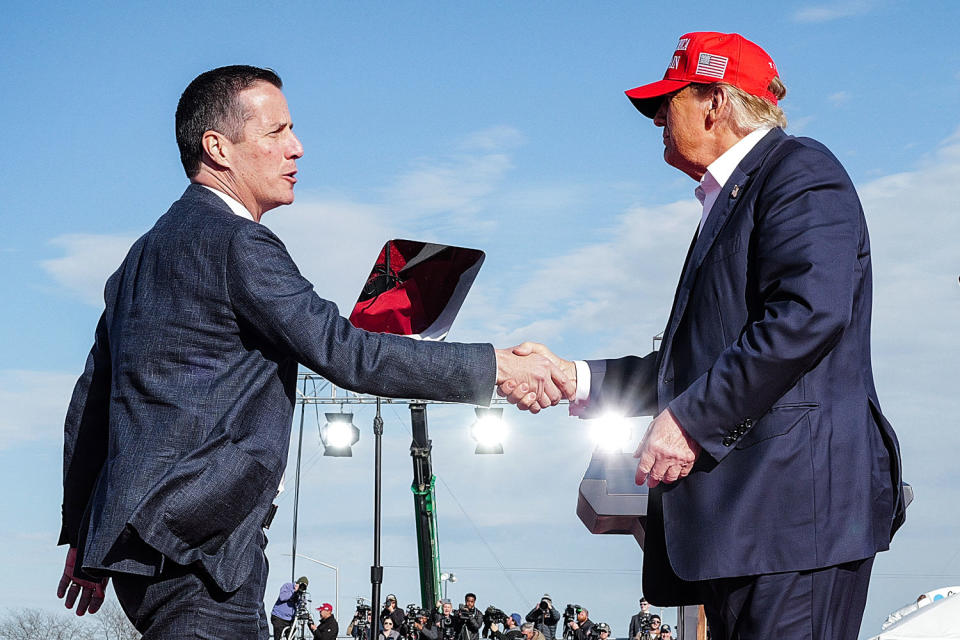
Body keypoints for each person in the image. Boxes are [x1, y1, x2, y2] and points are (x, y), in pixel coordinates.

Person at [54, 64, 574, 638]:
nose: (297, 148)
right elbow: (345, 352)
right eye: (276, 132)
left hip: (145, 547)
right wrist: (494, 366)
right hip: (198, 547)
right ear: (218, 148)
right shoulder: (238, 243)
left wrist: (83, 533)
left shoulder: (140, 255)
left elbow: (91, 401)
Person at [503, 30, 905, 640]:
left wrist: (690, 421)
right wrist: (576, 377)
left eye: (671, 101)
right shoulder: (737, 198)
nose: (660, 118)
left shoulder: (802, 172)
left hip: (794, 523)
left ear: (716, 102)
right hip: (750, 529)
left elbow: (809, 313)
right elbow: (694, 364)